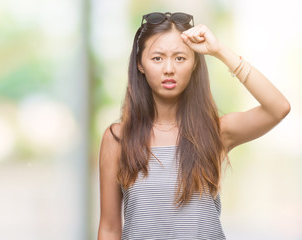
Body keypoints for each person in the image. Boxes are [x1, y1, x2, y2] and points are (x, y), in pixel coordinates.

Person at [97, 12, 290, 240]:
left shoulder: (216, 132)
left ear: (194, 64)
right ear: (140, 64)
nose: (169, 69)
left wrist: (219, 51)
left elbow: (278, 108)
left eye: (180, 58)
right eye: (157, 58)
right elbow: (109, 228)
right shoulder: (117, 138)